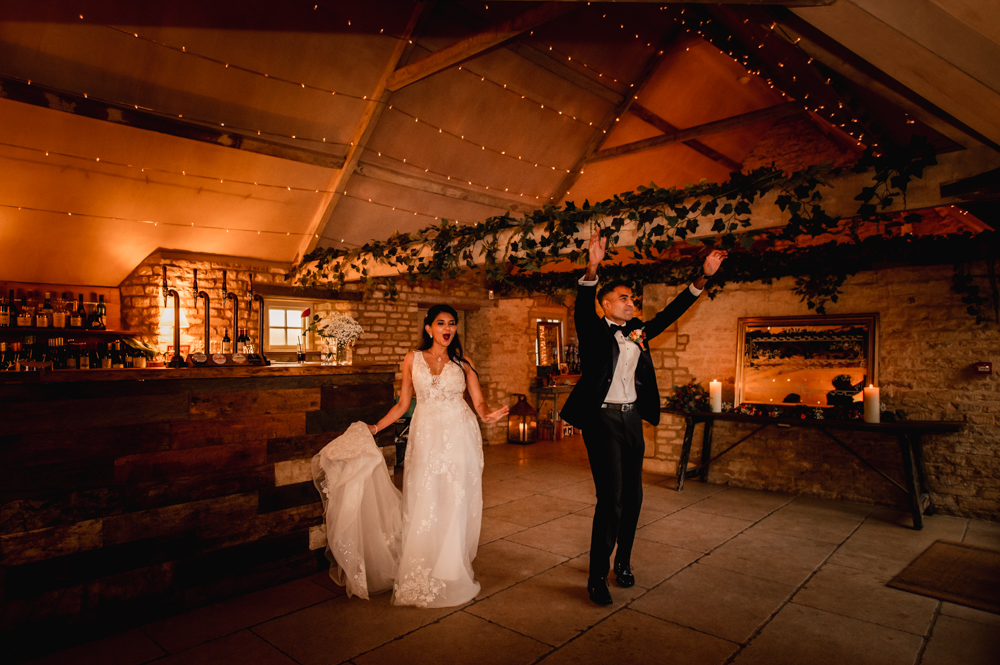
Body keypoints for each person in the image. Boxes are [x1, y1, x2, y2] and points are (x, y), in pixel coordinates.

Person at [561, 230, 727, 605]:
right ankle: (595, 576)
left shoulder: (637, 331)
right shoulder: (591, 329)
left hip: (632, 420)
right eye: (623, 298)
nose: (630, 303)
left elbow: (672, 312)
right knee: (611, 499)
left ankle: (624, 561)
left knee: (633, 497)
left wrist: (703, 276)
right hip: (602, 421)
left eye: (631, 298)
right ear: (605, 305)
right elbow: (583, 300)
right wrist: (593, 265)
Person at [313, 304, 507, 608]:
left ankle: (451, 568)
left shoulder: (463, 362)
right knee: (424, 499)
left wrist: (489, 416)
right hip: (426, 436)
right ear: (428, 328)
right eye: (441, 323)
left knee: (454, 500)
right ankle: (423, 563)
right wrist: (375, 428)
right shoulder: (412, 359)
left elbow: (479, 403)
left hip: (460, 436)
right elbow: (403, 404)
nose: (448, 328)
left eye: (452, 323)